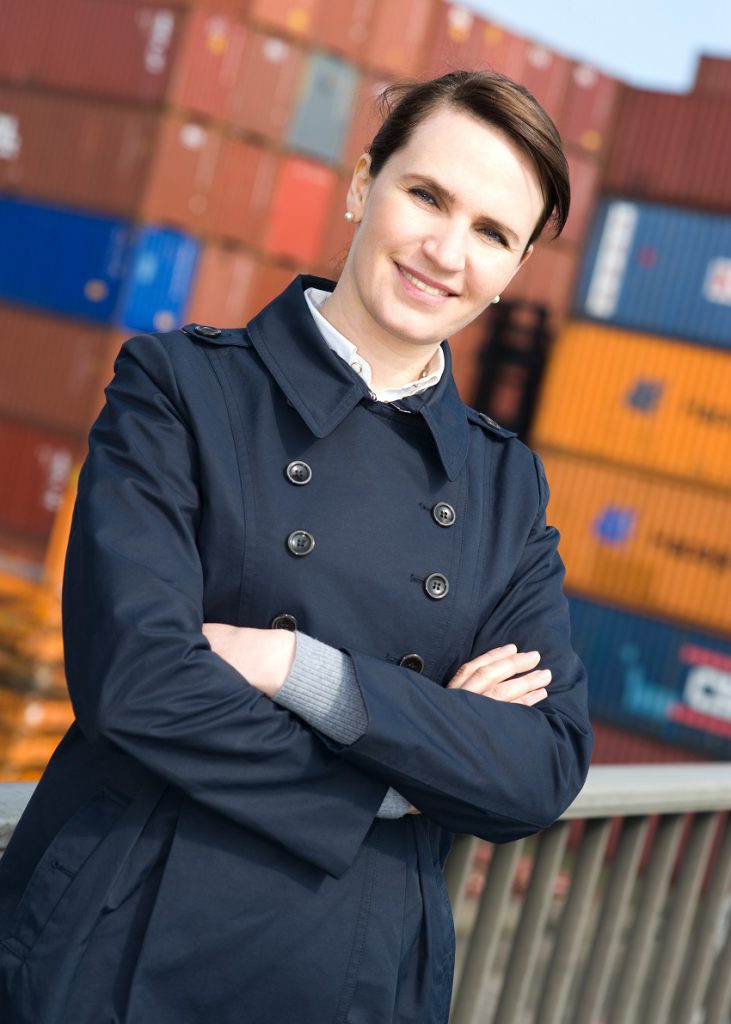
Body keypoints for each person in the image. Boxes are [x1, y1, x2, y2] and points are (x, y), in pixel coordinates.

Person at [0, 70, 592, 1023]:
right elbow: (138, 681)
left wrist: (295, 666)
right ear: (363, 187)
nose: (447, 251)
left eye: (492, 233)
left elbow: (540, 768)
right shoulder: (179, 389)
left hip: (354, 976)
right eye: (426, 195)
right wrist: (402, 782)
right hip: (122, 941)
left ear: (515, 268)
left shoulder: (502, 487)